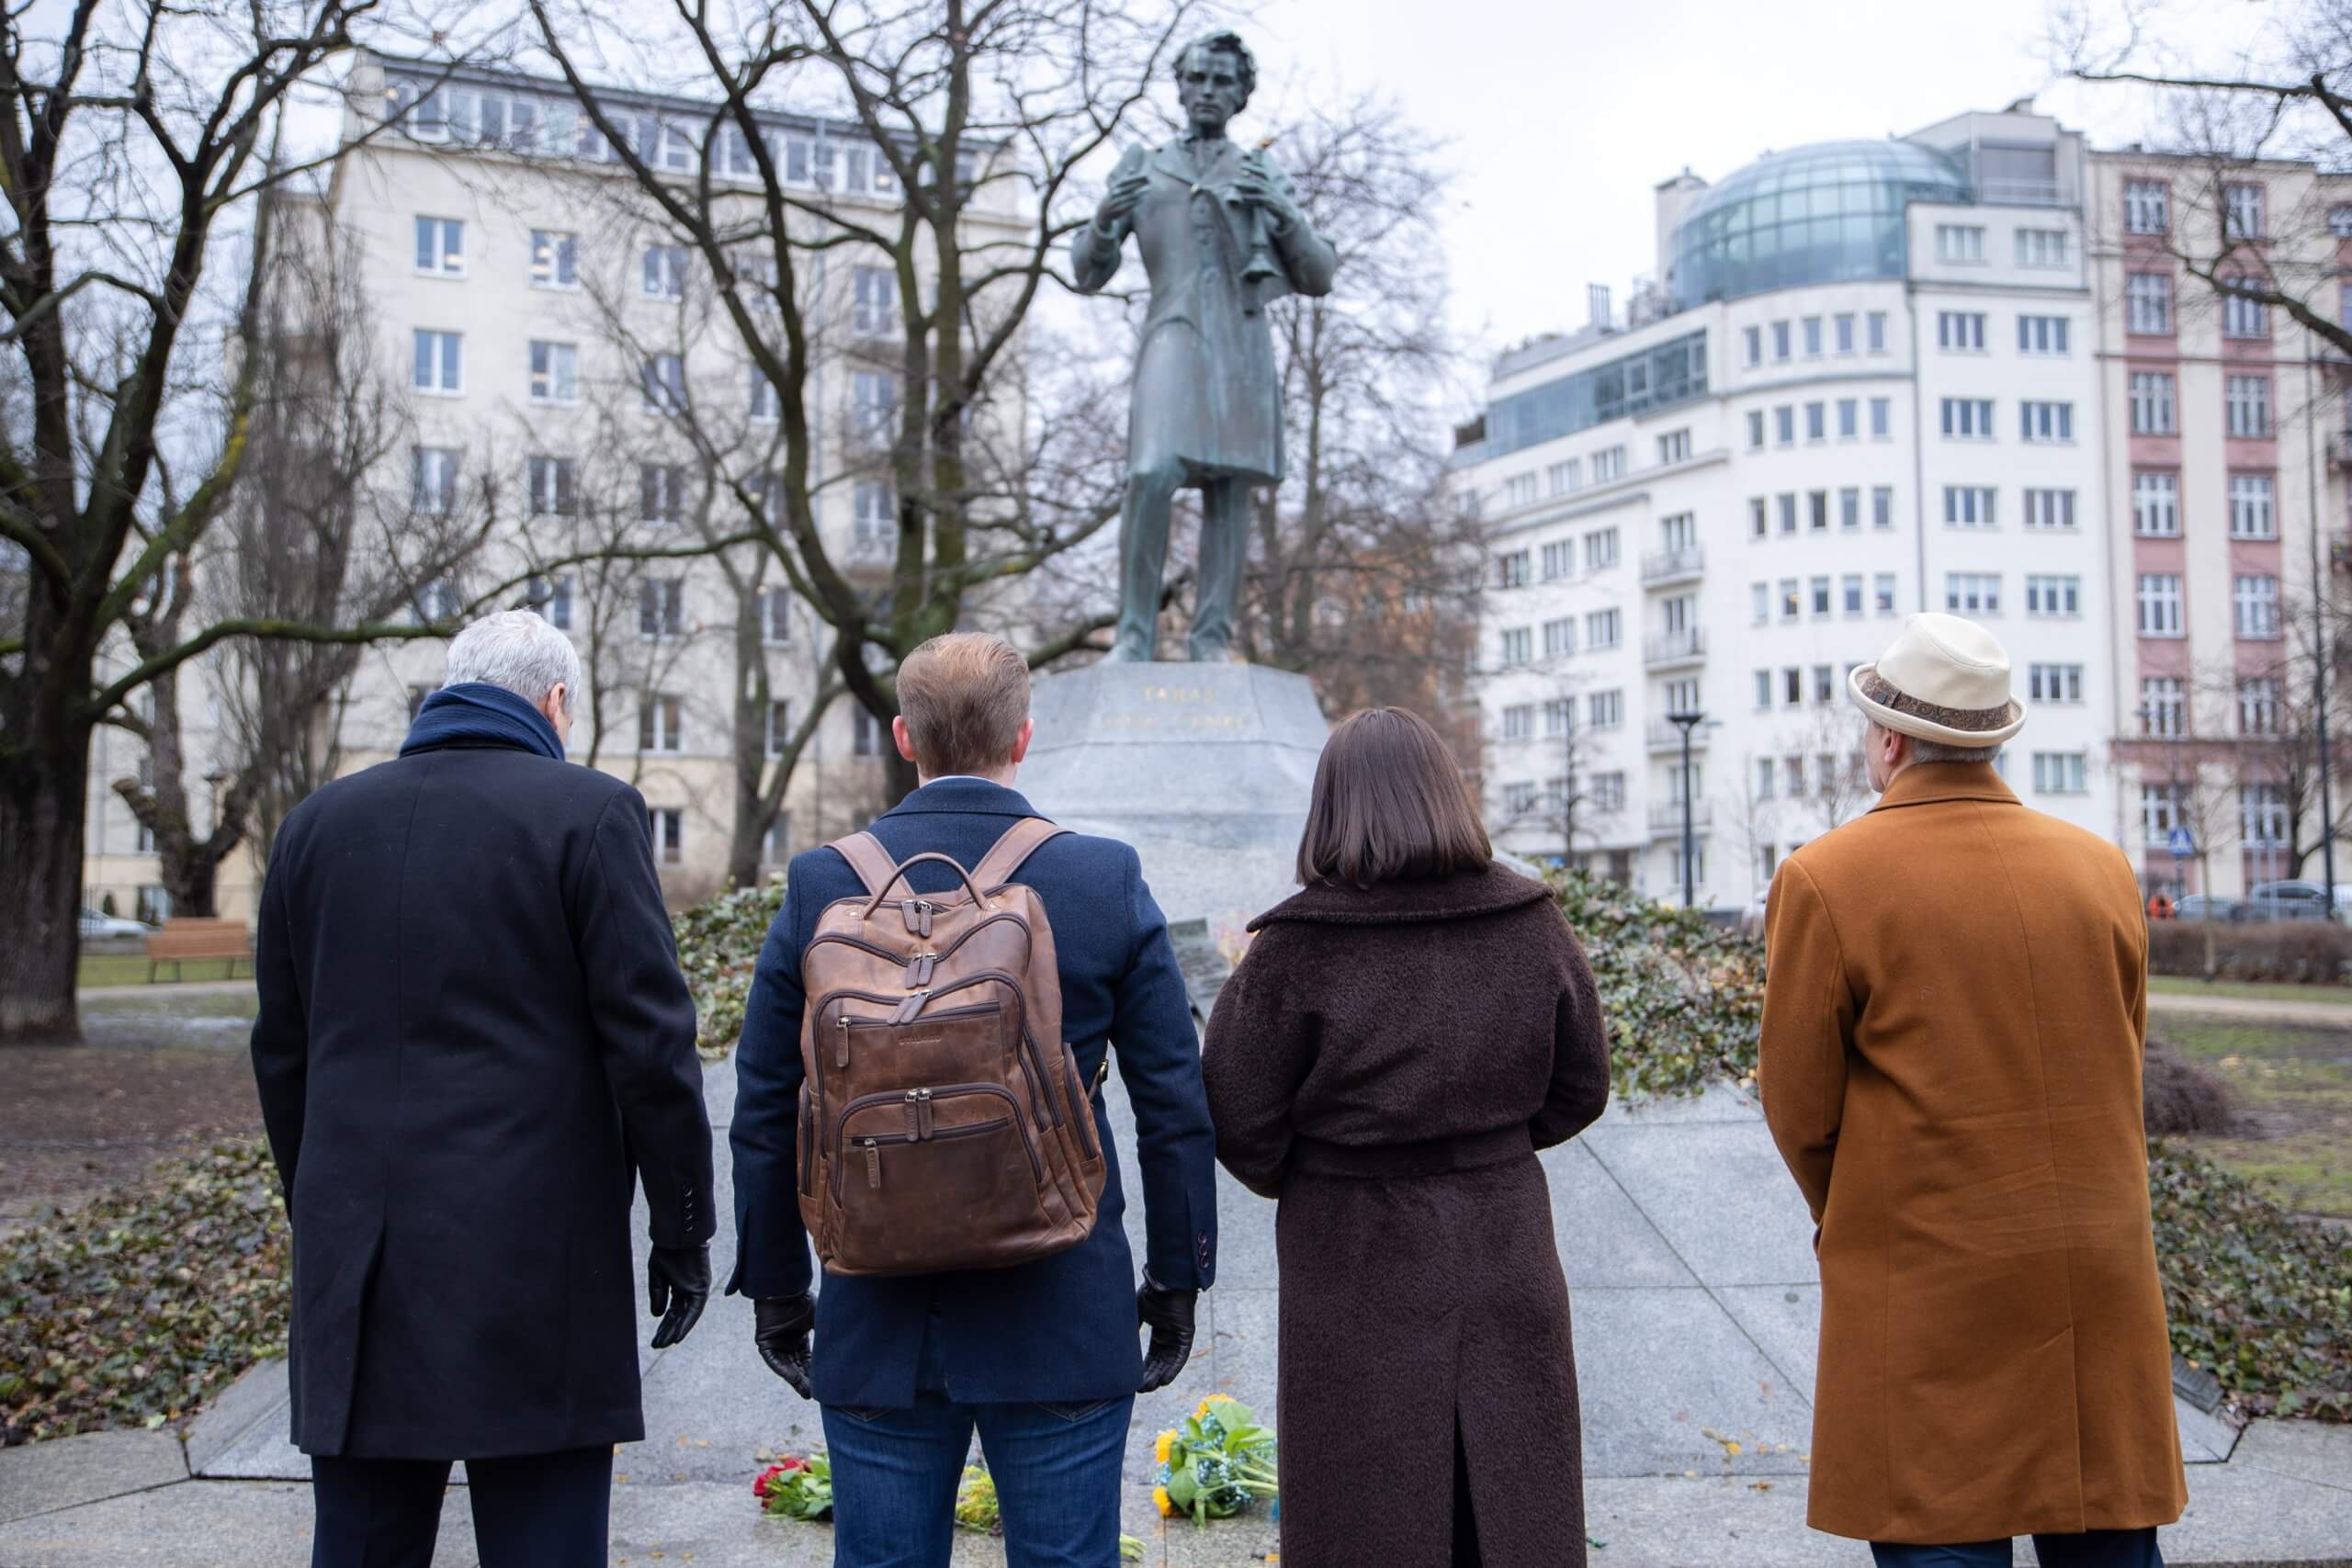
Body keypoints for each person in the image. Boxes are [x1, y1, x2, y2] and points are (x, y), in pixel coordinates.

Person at [729, 631, 1217, 1568]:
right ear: (1024, 736)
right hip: (1062, 1303)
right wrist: (1176, 1278)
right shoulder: (1100, 877)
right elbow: (1172, 1104)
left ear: (903, 737)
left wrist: (779, 1289)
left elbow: (764, 1105)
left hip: (878, 1314)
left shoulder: (823, 882)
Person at [249, 610, 716, 1568]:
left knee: (362, 1547)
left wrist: (324, 1208)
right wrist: (682, 1225)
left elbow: (283, 1051)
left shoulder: (314, 826)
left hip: (358, 1267)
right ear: (555, 701)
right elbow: (651, 1042)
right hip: (537, 1267)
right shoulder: (589, 812)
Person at [1758, 613, 2188, 1567]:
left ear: (1891, 741)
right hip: (2097, 1282)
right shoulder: (2102, 869)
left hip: (1927, 1284)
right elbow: (2120, 1057)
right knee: (2108, 1542)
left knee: (1941, 1541)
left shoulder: (1826, 878)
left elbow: (1799, 1110)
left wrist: (1857, 1216)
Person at [1201, 707, 1611, 1568]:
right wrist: (1487, 1145)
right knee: (1510, 1499)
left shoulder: (1295, 949)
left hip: (1349, 1250)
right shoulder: (1530, 922)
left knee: (1363, 1510)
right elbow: (1582, 1085)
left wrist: (1321, 1168)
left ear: (1331, 807)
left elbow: (1238, 1115)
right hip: (1502, 1233)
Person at [1070, 29, 1338, 662]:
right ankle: (1134, 634)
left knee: (1228, 487)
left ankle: (1210, 638)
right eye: (1198, 78)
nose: (1209, 90)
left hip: (1241, 342)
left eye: (1223, 81)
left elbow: (1319, 274)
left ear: (1241, 93)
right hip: (1173, 328)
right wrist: (1105, 218)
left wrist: (1284, 213)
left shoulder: (1258, 170)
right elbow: (1087, 271)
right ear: (1181, 87)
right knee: (1151, 470)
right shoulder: (1145, 165)